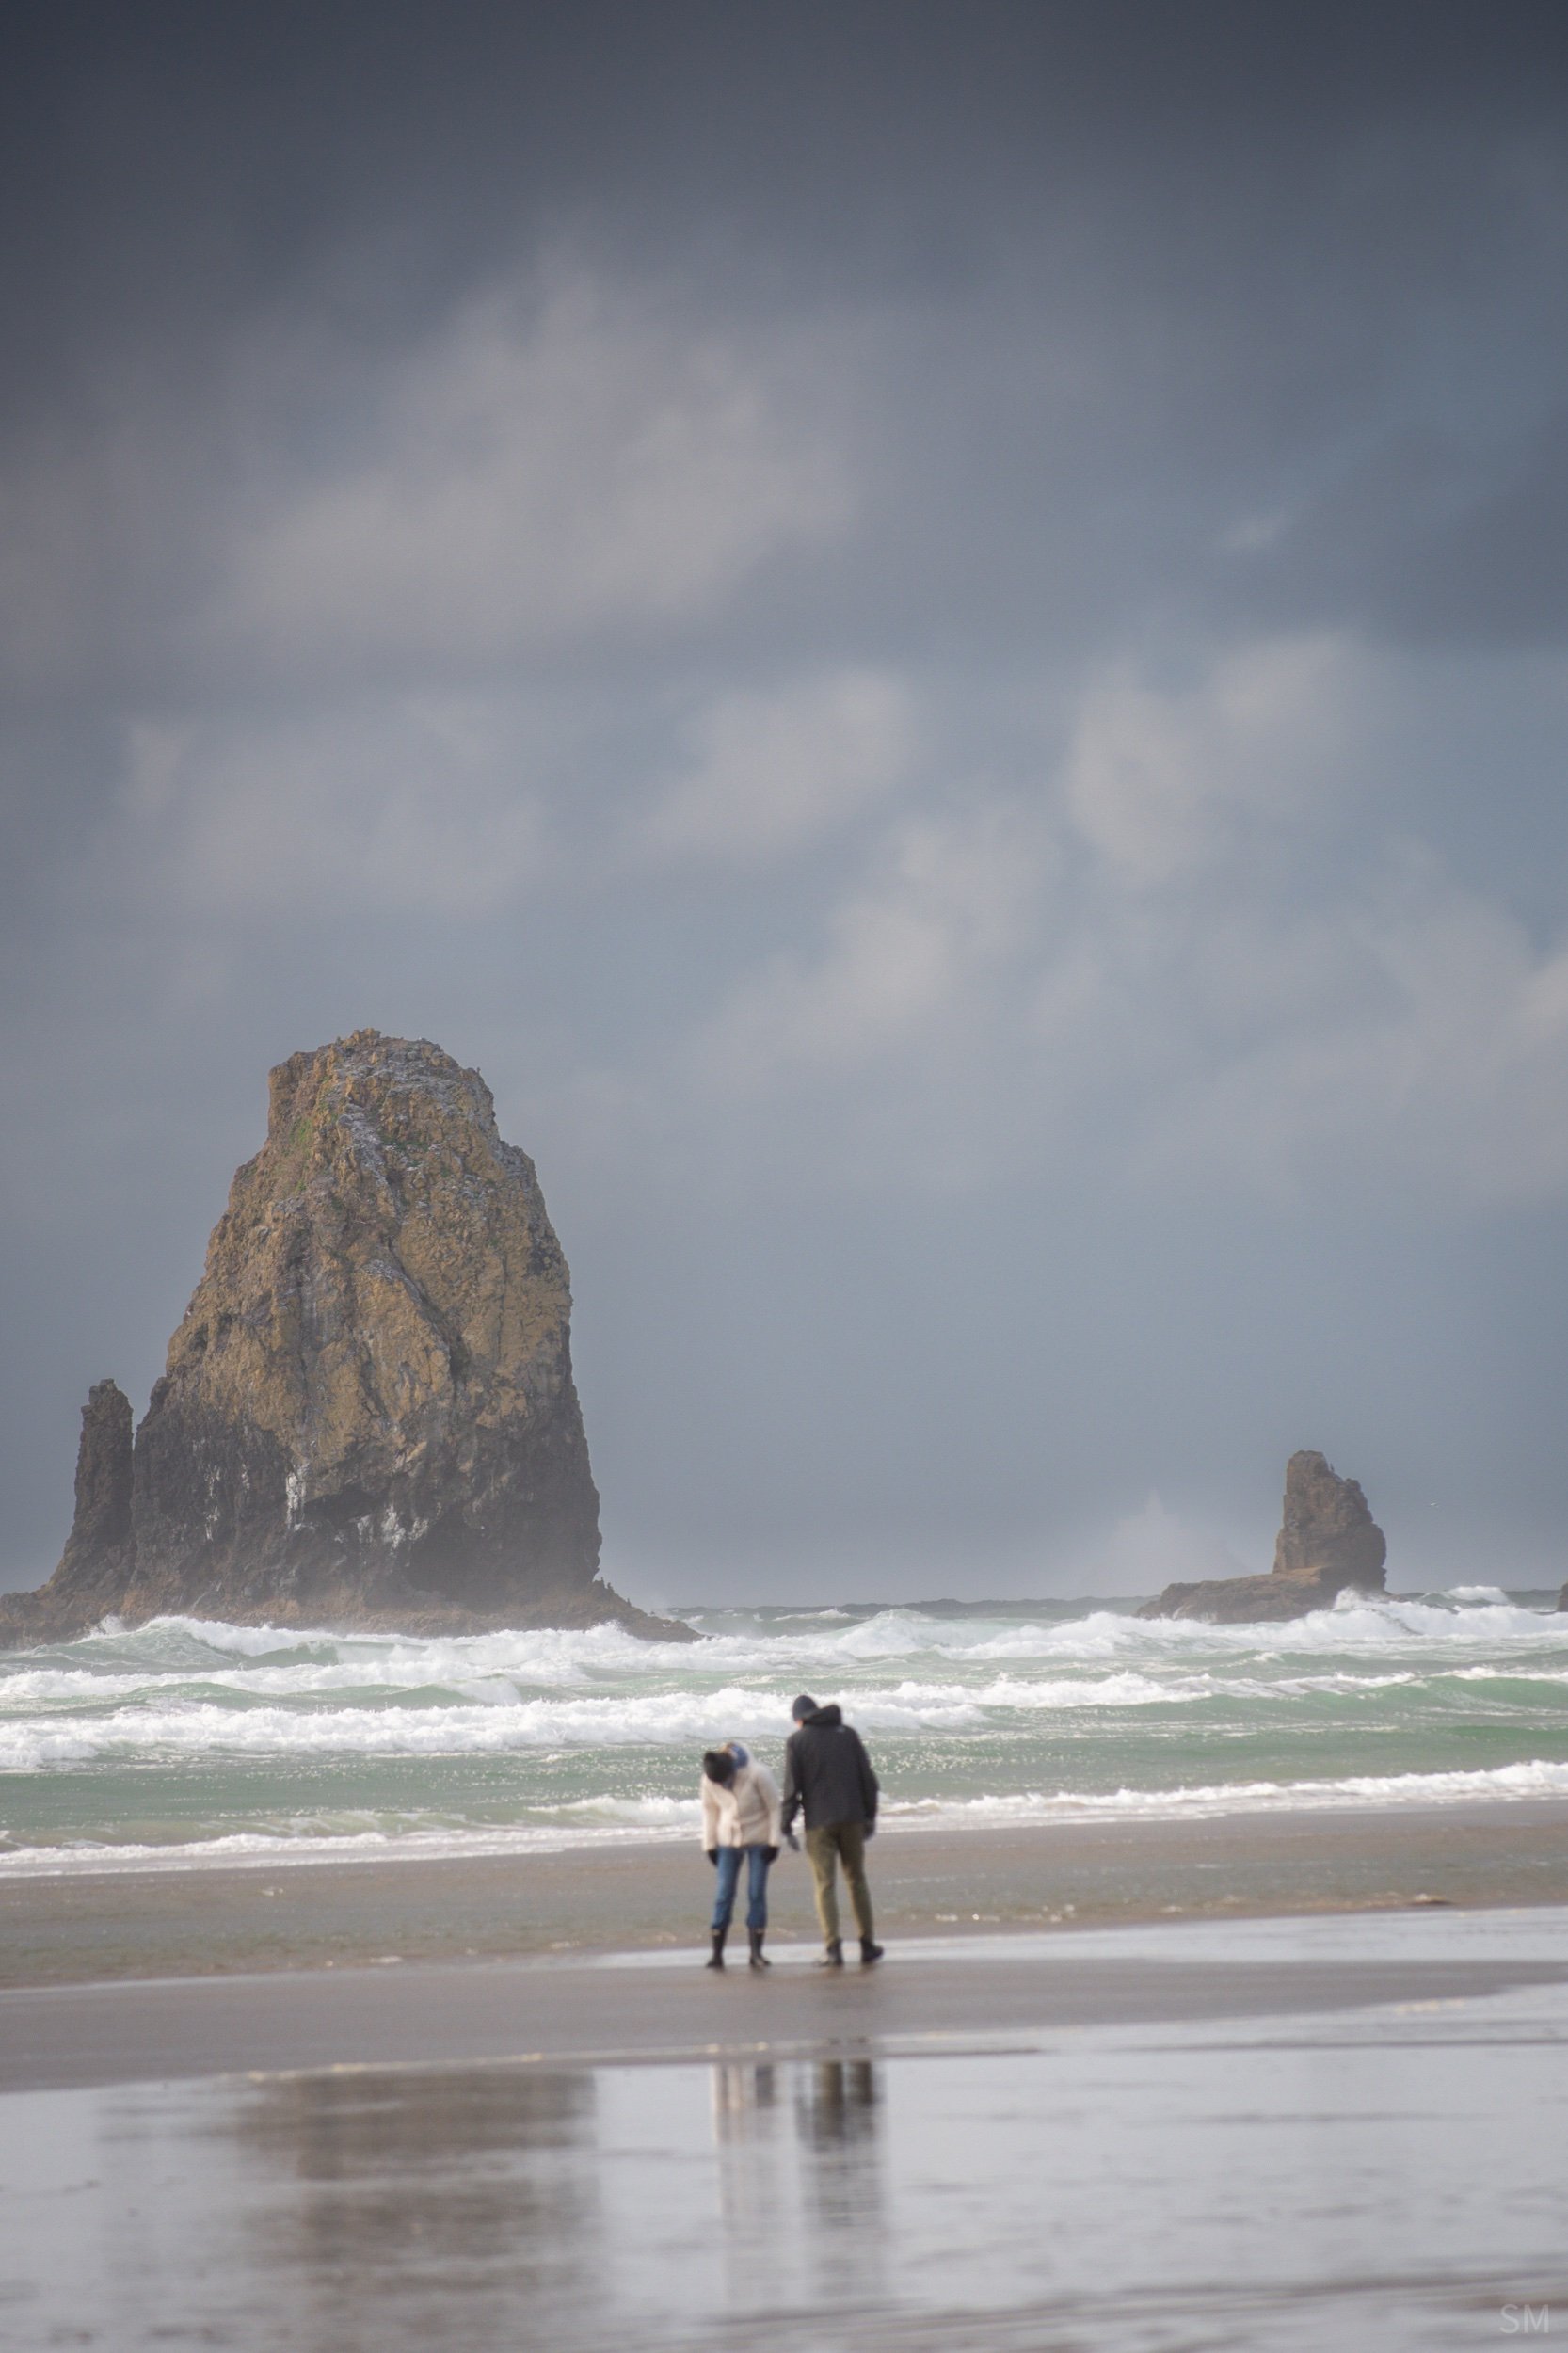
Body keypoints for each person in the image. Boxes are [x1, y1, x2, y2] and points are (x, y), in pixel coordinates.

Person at [780, 1694, 884, 1967]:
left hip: (819, 1824)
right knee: (856, 1880)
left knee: (825, 1885)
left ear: (799, 1719)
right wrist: (869, 1815)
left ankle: (833, 1948)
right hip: (852, 1818)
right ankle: (867, 1944)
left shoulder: (797, 1742)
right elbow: (868, 1779)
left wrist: (786, 1825)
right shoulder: (847, 1734)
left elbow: (792, 1789)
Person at [700, 1738, 782, 1970]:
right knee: (723, 1894)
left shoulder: (757, 1773)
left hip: (759, 1839)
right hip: (727, 1840)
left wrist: (774, 1842)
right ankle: (717, 1954)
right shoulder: (709, 1779)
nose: (722, 1784)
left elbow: (774, 1807)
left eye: (725, 1780)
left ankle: (756, 1953)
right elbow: (709, 1810)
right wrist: (709, 1845)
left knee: (756, 1893)